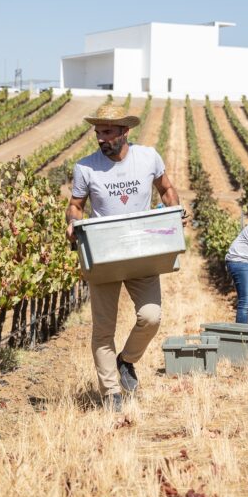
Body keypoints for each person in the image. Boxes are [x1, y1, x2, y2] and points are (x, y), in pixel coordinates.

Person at [66, 103, 181, 411]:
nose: (101, 139)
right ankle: (111, 393)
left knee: (151, 316)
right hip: (104, 253)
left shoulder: (148, 157)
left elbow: (167, 189)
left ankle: (126, 360)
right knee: (103, 329)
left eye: (107, 133)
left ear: (124, 131)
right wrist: (72, 222)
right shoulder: (85, 167)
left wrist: (174, 213)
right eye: (98, 133)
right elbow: (76, 205)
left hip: (142, 250)